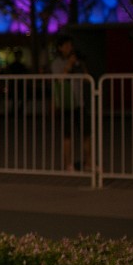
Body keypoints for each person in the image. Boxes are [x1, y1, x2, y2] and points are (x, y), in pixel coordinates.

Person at [50, 34, 91, 172]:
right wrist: (69, 65)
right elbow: (59, 79)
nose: (69, 48)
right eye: (66, 45)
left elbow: (87, 78)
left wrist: (81, 65)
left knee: (86, 133)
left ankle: (88, 163)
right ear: (60, 48)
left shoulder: (77, 61)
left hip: (79, 102)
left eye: (70, 45)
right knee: (67, 135)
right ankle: (68, 164)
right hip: (66, 103)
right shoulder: (57, 63)